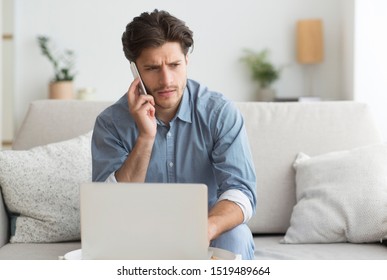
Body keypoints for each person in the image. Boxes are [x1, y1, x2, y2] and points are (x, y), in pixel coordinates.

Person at [91, 9, 257, 260]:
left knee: (237, 235)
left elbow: (241, 192)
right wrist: (145, 137)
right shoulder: (111, 123)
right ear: (135, 71)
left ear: (186, 61)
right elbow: (110, 208)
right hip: (137, 237)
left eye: (174, 65)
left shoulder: (219, 113)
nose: (166, 79)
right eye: (152, 68)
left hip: (206, 233)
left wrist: (205, 229)